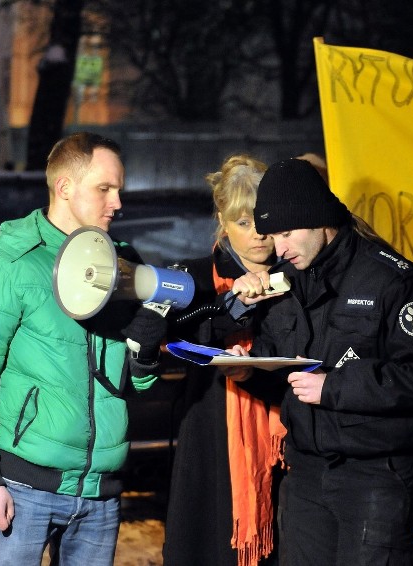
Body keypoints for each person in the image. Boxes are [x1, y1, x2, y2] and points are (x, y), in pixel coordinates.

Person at [0, 132, 168, 565]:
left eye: (119, 189)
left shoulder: (122, 266)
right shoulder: (8, 265)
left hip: (100, 494)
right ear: (64, 186)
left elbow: (132, 384)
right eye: (105, 188)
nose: (117, 202)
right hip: (22, 489)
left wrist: (146, 352)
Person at [223, 157, 413, 566]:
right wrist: (248, 371)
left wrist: (333, 387)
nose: (280, 248)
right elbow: (285, 374)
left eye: (288, 233)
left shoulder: (393, 280)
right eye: (273, 236)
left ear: (319, 220)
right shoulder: (288, 282)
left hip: (375, 475)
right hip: (306, 475)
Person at [162, 154, 284, 566]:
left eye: (264, 221)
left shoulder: (296, 276)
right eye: (244, 222)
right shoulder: (195, 277)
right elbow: (172, 338)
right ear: (222, 220)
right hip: (209, 441)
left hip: (283, 446)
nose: (258, 236)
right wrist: (229, 308)